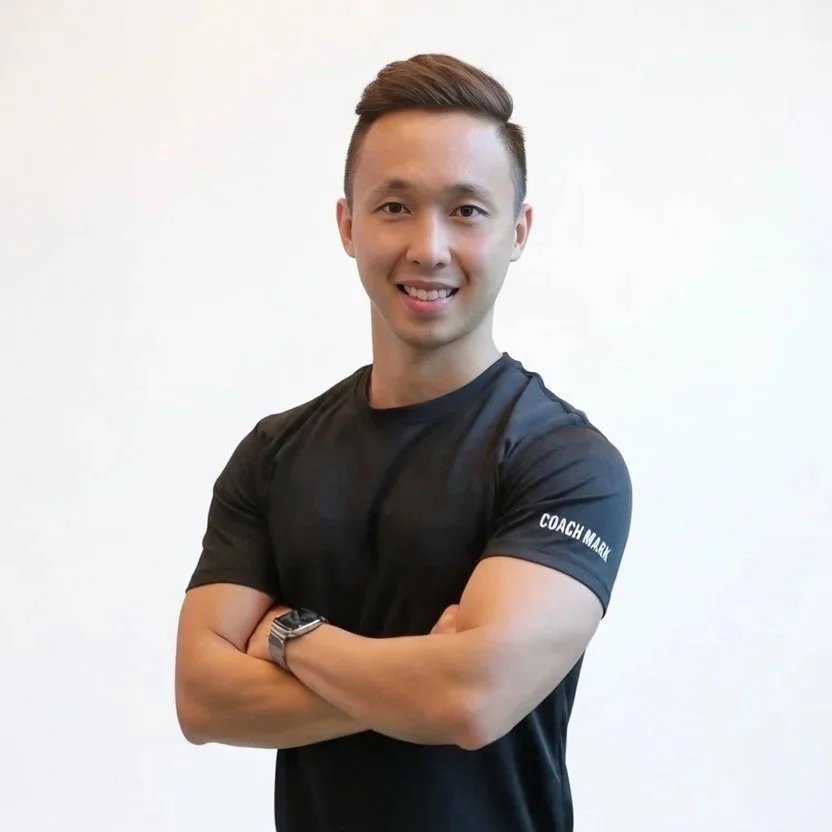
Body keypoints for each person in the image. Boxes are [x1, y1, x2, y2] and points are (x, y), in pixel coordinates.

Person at [174, 53, 633, 832]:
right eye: (394, 207)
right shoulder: (275, 454)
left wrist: (288, 634)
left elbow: (469, 699)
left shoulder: (565, 462)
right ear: (348, 225)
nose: (429, 247)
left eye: (466, 210)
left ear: (517, 231)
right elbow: (202, 697)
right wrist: (419, 673)